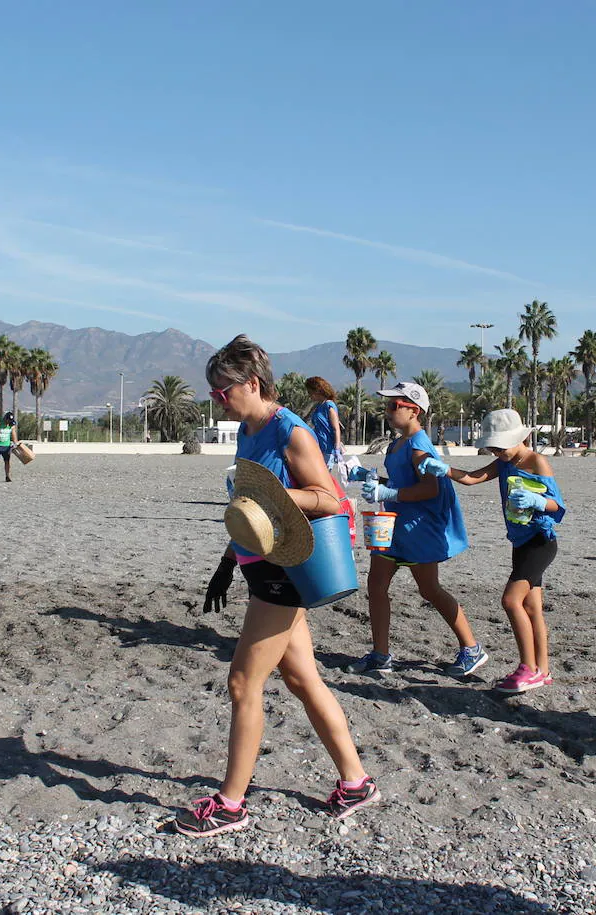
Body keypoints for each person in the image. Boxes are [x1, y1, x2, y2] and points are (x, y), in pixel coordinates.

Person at [182, 334, 378, 837]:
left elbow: (329, 501)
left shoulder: (290, 431)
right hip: (258, 566)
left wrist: (278, 495)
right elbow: (251, 508)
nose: (216, 398)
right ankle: (356, 783)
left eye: (222, 390)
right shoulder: (249, 431)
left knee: (243, 683)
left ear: (252, 383)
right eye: (212, 391)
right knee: (302, 678)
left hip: (283, 575)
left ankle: (230, 804)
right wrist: (228, 560)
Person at [346, 381, 487, 679]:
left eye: (394, 406)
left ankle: (471, 648)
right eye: (387, 405)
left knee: (430, 589)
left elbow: (429, 489)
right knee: (376, 586)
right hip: (395, 525)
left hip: (418, 528)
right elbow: (403, 482)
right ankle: (381, 654)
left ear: (414, 411)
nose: (387, 411)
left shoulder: (419, 445)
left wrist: (389, 494)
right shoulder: (398, 442)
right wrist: (376, 481)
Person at [437, 409, 566, 693]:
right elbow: (471, 478)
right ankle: (542, 670)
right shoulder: (503, 462)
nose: (497, 451)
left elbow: (558, 507)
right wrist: (443, 469)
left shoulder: (536, 461)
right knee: (532, 608)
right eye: (493, 447)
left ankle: (527, 668)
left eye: (501, 446)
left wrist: (537, 500)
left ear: (521, 437)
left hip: (540, 542)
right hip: (520, 543)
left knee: (510, 602)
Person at [305, 376, 344, 465]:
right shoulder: (319, 406)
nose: (309, 395)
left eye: (310, 392)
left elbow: (336, 428)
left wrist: (337, 448)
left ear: (317, 391)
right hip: (320, 446)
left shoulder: (329, 405)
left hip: (328, 447)